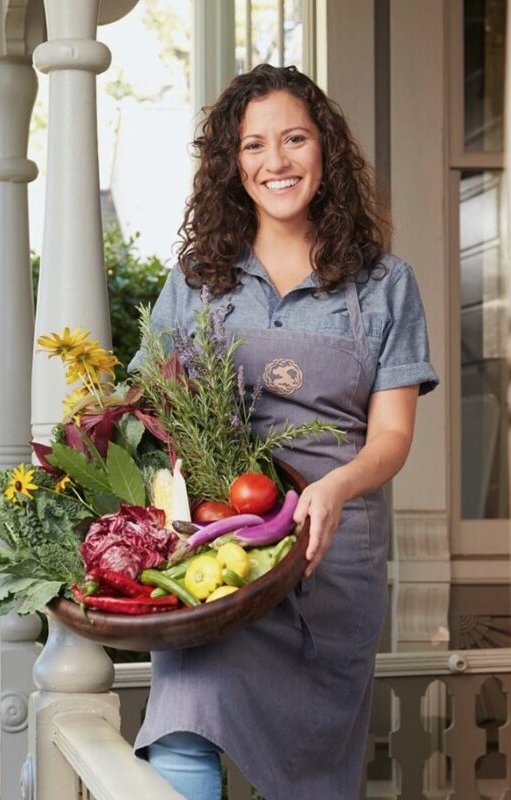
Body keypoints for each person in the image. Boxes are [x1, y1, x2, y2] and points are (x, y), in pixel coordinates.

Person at [130, 64, 439, 799]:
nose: (277, 162)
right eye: (254, 146)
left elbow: (391, 437)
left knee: (314, 770)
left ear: (324, 150)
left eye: (295, 139)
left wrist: (335, 486)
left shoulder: (383, 284)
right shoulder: (200, 279)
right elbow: (145, 404)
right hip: (220, 549)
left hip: (331, 555)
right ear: (232, 166)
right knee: (185, 712)